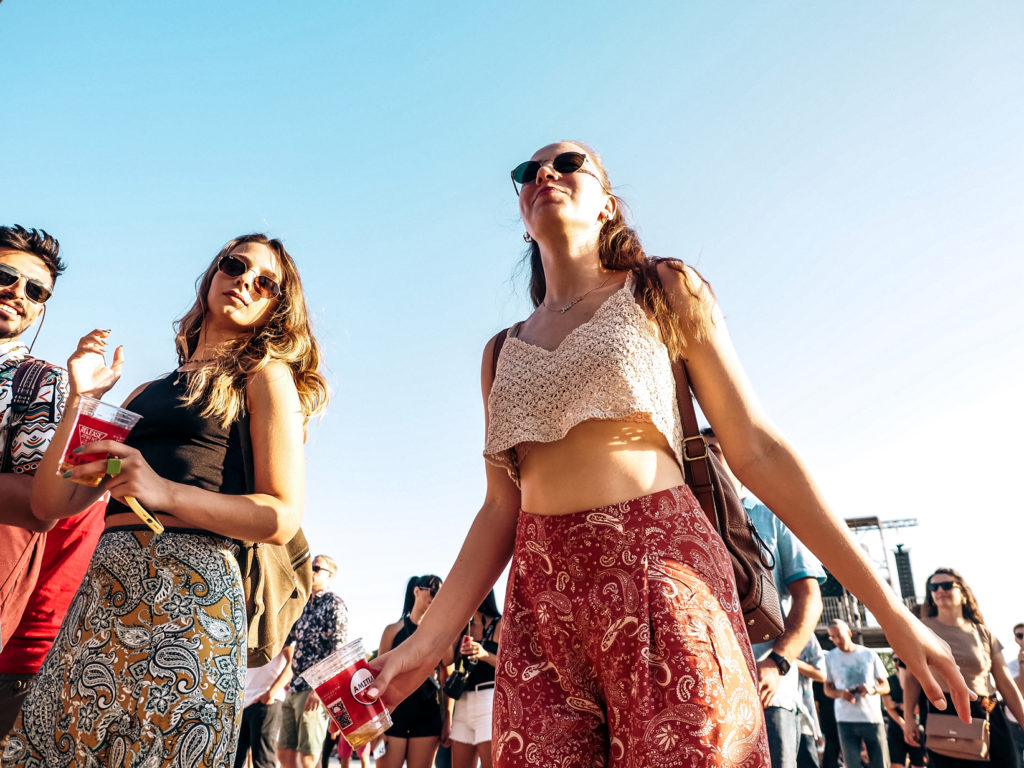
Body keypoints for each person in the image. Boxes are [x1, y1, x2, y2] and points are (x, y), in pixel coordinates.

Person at [367, 141, 972, 768]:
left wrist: (893, 613)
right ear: (522, 218)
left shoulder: (663, 287)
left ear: (607, 204)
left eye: (569, 164)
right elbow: (500, 509)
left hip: (663, 579)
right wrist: (424, 645)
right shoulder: (499, 351)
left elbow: (758, 449)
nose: (544, 173)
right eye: (527, 172)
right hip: (540, 611)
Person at [4, 233, 328, 767]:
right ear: (211, 277)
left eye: (265, 282)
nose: (245, 280)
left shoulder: (264, 375)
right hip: (104, 591)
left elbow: (281, 514)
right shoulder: (142, 394)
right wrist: (82, 400)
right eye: (234, 265)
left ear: (277, 305)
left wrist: (162, 490)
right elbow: (53, 500)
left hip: (193, 591)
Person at [704, 426, 826, 768]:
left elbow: (809, 599)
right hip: (705, 693)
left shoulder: (774, 517)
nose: (704, 458)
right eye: (698, 451)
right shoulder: (682, 521)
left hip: (767, 695)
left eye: (714, 449)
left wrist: (778, 663)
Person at [902, 569, 1024, 767]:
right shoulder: (921, 629)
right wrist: (908, 719)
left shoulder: (983, 633)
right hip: (944, 710)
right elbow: (911, 677)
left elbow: (1005, 683)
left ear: (963, 593)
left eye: (947, 585)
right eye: (934, 587)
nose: (940, 590)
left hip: (987, 708)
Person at [278, 554, 349, 768]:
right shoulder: (301, 605)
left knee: (309, 757)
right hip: (295, 687)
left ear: (331, 576)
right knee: (284, 753)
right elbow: (285, 640)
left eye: (316, 568)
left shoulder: (334, 604)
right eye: (310, 567)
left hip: (315, 690)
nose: (311, 571)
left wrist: (321, 689)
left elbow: (339, 651)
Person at [377, 574, 447, 768]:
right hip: (394, 714)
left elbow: (446, 670)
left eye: (441, 592)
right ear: (417, 591)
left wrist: (447, 718)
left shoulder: (439, 633)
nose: (437, 596)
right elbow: (378, 675)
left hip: (427, 712)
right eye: (433, 591)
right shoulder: (392, 630)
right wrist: (376, 724)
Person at [823, 619, 890, 768]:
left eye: (839, 635)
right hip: (845, 719)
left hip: (871, 718)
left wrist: (872, 689)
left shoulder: (869, 654)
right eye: (832, 637)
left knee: (880, 763)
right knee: (852, 764)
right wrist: (841, 694)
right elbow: (827, 689)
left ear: (849, 633)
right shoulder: (830, 657)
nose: (836, 640)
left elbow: (885, 686)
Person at [448, 590, 501, 768]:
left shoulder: (499, 623)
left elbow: (510, 664)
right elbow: (446, 659)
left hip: (488, 700)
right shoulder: (462, 626)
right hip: (462, 701)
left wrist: (484, 654)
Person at [235, 648, 292, 768]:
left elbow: (291, 664)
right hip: (242, 702)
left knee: (262, 760)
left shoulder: (281, 632)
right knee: (234, 759)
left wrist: (271, 693)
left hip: (265, 701)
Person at [881, 656, 925, 768]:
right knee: (896, 764)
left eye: (901, 659)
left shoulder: (918, 681)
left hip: (917, 728)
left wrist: (896, 705)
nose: (898, 663)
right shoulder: (889, 681)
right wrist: (904, 724)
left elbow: (918, 709)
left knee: (918, 764)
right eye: (895, 660)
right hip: (896, 728)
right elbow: (887, 706)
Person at [1009, 622, 1024, 759]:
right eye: (1020, 635)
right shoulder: (1011, 666)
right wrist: (1022, 664)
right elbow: (1018, 692)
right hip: (1014, 721)